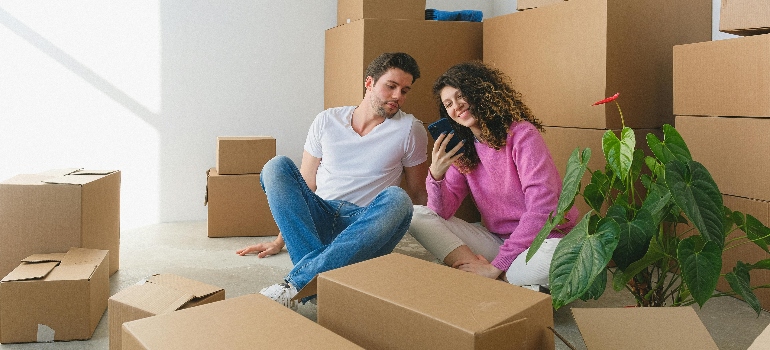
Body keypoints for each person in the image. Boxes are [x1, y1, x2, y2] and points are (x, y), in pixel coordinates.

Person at [236, 52, 428, 309]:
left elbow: (417, 194)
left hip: (365, 225)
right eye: (390, 86)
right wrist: (280, 240)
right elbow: (306, 184)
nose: (397, 97)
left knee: (398, 199)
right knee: (276, 166)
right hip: (320, 216)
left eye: (405, 91)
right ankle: (325, 273)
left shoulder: (410, 129)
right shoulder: (327, 120)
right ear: (369, 82)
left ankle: (296, 284)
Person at [408, 61, 578, 289]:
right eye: (448, 104)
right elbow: (441, 212)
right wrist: (436, 176)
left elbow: (542, 208)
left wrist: (496, 265)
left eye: (461, 96)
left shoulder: (522, 135)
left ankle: (495, 276)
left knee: (562, 259)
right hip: (497, 240)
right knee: (417, 215)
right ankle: (497, 277)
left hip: (543, 240)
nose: (456, 107)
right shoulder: (464, 149)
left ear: (480, 92)